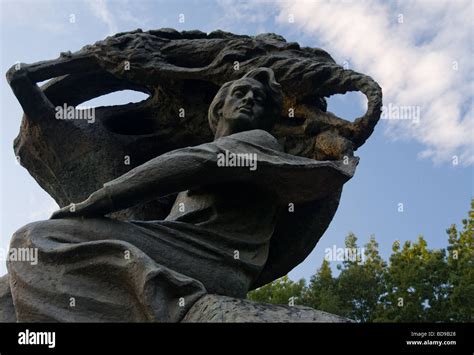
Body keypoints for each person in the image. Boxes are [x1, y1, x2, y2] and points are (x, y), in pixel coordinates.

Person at [8, 68, 355, 322]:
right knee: (8, 292)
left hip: (208, 263)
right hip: (181, 250)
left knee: (34, 239)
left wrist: (100, 199)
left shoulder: (259, 144)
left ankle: (168, 305)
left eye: (260, 99)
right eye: (241, 93)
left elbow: (189, 163)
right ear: (218, 108)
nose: (250, 99)